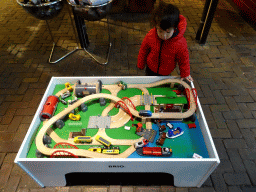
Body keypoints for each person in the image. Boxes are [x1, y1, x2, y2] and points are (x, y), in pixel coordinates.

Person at [137, 3, 193, 82]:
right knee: (149, 84)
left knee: (163, 86)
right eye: (160, 31)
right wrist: (141, 63)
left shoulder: (180, 42)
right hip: (150, 68)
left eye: (168, 32)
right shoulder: (151, 35)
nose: (164, 36)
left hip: (166, 72)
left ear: (174, 28)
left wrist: (185, 74)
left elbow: (183, 59)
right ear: (156, 26)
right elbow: (144, 49)